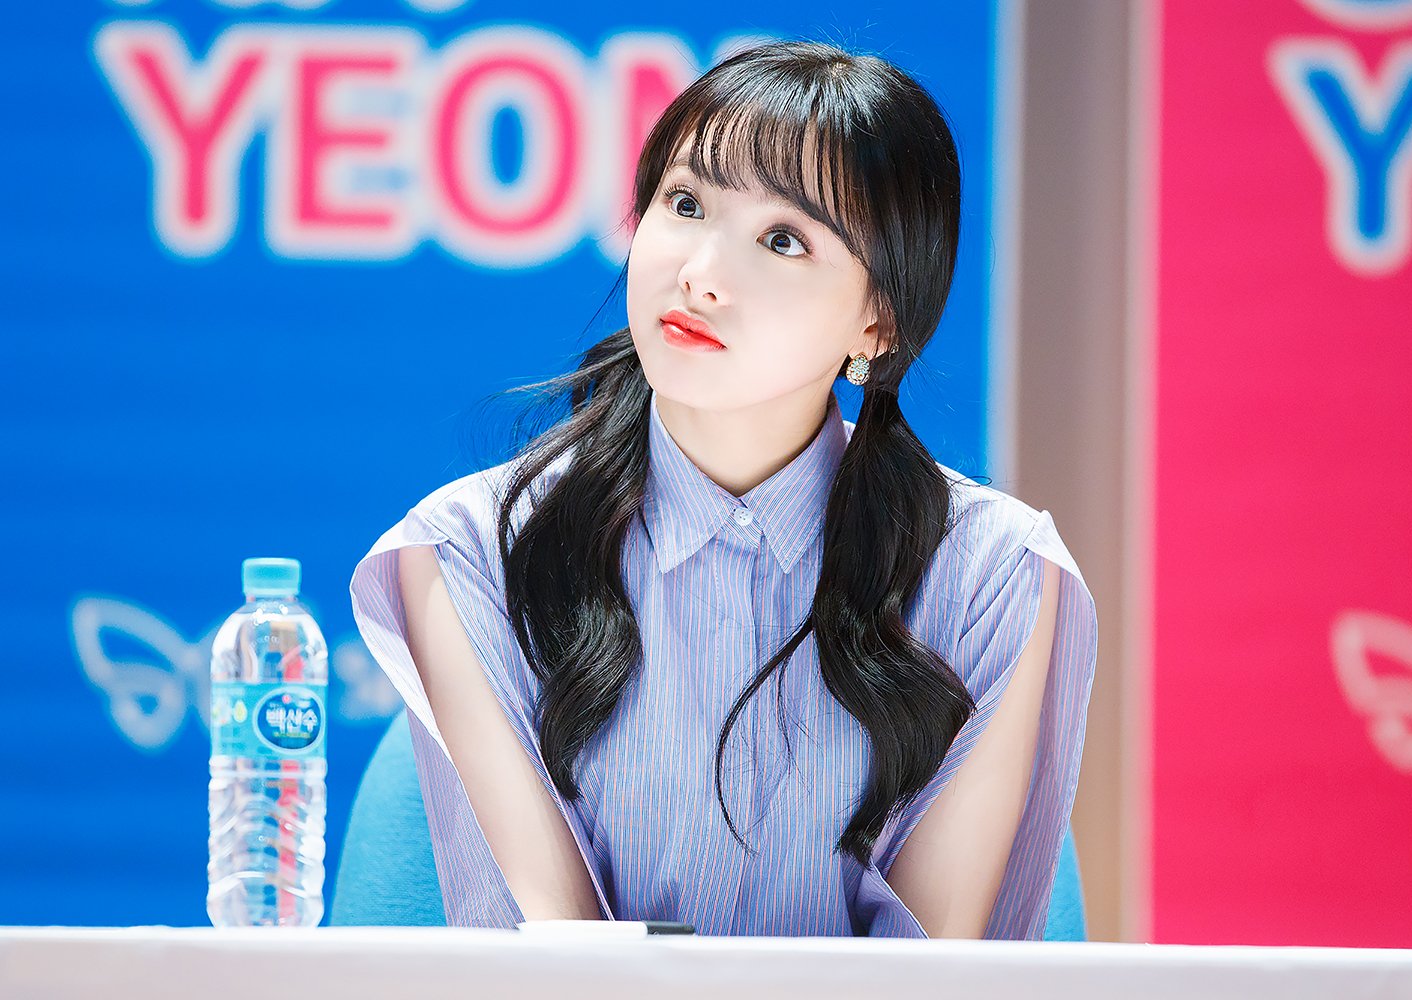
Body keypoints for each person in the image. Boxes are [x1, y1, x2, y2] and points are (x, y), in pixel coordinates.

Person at [349, 39, 1098, 939]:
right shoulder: (474, 548)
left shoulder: (992, 572)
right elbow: (555, 954)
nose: (699, 274)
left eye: (783, 239)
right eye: (685, 203)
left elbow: (928, 969)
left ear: (879, 321)